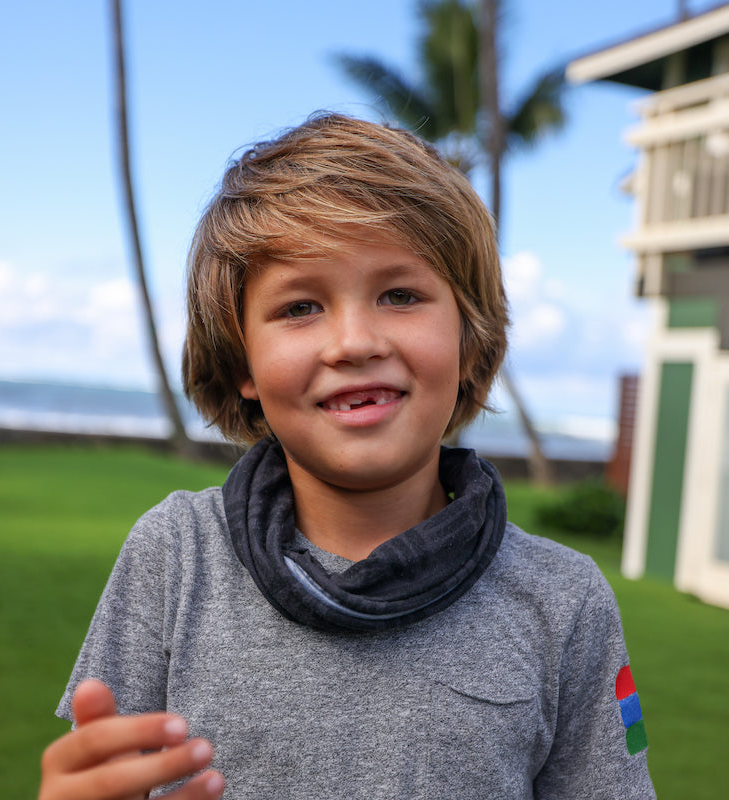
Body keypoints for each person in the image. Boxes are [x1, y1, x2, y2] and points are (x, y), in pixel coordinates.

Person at [39, 112, 655, 800]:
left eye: (400, 295)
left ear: (469, 340)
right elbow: (104, 773)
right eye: (301, 307)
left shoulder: (563, 602)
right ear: (242, 360)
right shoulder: (175, 556)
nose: (354, 341)